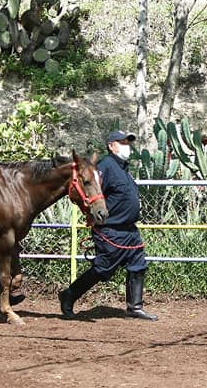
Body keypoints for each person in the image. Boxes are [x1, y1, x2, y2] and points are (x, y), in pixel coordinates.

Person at [58, 131, 158, 321]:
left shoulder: (123, 168)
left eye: (127, 143)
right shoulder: (105, 166)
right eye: (122, 142)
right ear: (111, 145)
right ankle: (69, 294)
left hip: (129, 229)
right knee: (103, 268)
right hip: (110, 229)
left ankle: (134, 307)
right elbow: (91, 193)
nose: (127, 146)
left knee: (138, 265)